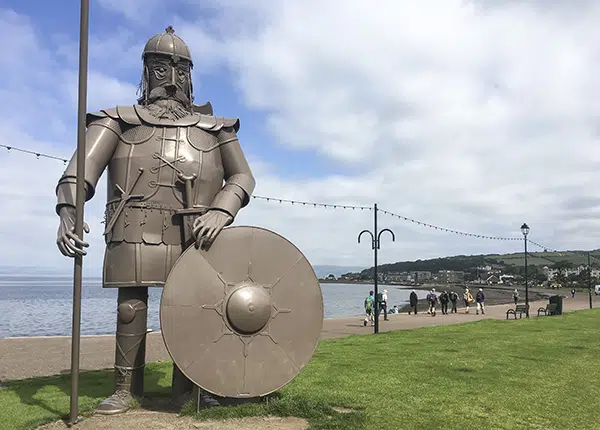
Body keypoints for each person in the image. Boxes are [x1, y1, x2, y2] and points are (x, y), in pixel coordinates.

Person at [54, 27, 256, 414]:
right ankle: (126, 389)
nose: (171, 81)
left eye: (180, 72)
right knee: (130, 307)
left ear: (190, 77)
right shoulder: (116, 121)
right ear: (147, 72)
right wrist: (68, 211)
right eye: (162, 69)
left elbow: (242, 177)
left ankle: (188, 387)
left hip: (197, 231)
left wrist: (220, 210)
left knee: (194, 306)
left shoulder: (217, 128)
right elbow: (79, 173)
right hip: (133, 227)